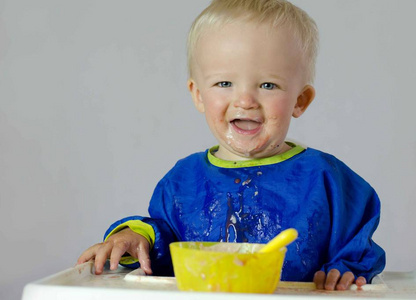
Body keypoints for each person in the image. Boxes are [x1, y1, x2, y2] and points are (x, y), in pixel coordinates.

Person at [78, 0, 385, 291]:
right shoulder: (183, 181)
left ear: (300, 100)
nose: (245, 100)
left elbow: (356, 243)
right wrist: (134, 236)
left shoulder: (325, 178)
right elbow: (165, 244)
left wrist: (345, 270)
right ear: (198, 94)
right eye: (224, 83)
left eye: (268, 85)